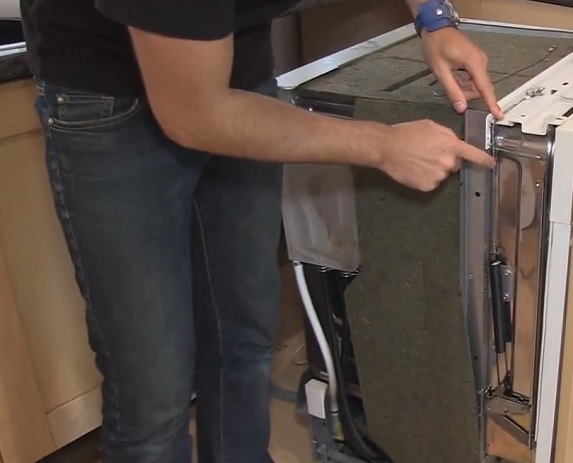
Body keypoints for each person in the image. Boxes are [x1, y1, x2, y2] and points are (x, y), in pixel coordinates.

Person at [18, 0, 504, 461]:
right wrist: (383, 146)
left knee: (243, 339)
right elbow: (196, 114)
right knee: (154, 390)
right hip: (108, 96)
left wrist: (434, 17)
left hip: (232, 65)